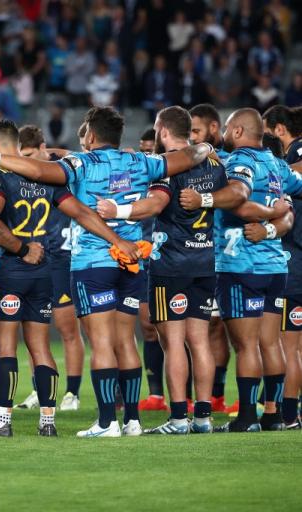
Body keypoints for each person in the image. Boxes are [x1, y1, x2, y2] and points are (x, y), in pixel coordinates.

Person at [0, 106, 216, 437]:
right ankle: (131, 421)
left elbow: (39, 170)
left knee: (100, 342)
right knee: (125, 341)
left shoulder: (81, 164)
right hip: (131, 260)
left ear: (90, 134)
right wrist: (206, 147)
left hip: (93, 262)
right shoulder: (142, 162)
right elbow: (191, 155)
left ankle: (106, 423)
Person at [0, 118, 147, 438]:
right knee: (41, 347)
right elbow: (81, 211)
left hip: (9, 268)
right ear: (17, 146)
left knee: (5, 347)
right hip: (46, 271)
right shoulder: (48, 178)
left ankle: (2, 424)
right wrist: (116, 239)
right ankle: (47, 421)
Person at [98, 106, 227, 434]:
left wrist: (120, 209)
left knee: (173, 343)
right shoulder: (212, 162)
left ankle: (179, 418)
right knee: (199, 341)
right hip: (205, 259)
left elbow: (155, 205)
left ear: (163, 130)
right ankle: (203, 417)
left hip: (172, 263)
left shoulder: (169, 166)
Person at [179, 108, 302, 432]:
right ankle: (274, 415)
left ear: (235, 131)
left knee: (246, 346)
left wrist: (204, 199)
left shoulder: (239, 163)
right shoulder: (277, 165)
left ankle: (247, 418)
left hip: (240, 265)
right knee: (271, 343)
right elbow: (291, 200)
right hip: (276, 267)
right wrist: (275, 225)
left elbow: (238, 196)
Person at [18, 125, 85, 411]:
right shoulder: (22, 175)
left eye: (33, 154)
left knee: (68, 329)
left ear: (44, 147)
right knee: (34, 331)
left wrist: (60, 154)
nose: (30, 161)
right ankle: (39, 389)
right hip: (33, 259)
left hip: (63, 260)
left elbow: (88, 159)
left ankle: (72, 393)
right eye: (24, 156)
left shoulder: (64, 171)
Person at [189, 103, 232, 413]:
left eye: (196, 131)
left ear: (213, 130)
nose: (192, 138)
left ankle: (222, 394)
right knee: (205, 329)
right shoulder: (187, 165)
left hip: (228, 257)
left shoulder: (228, 164)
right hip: (200, 258)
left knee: (232, 330)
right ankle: (206, 397)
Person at [263, 105, 302, 429]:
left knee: (287, 344)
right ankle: (288, 410)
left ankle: (286, 414)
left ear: (278, 130)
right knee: (294, 344)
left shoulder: (293, 157)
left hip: (293, 260)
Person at [135, 128, 167, 413]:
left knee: (174, 330)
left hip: (169, 257)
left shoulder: (166, 175)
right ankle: (156, 395)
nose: (146, 153)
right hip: (141, 258)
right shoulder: (133, 176)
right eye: (142, 148)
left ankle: (190, 396)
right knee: (147, 327)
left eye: (150, 149)